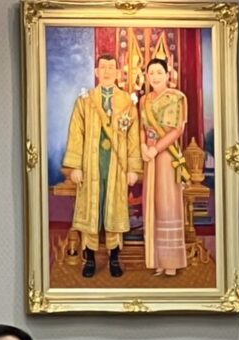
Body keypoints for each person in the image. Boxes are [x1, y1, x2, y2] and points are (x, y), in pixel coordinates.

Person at [62, 52, 142, 278]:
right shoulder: (85, 100)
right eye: (103, 67)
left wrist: (133, 169)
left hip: (117, 165)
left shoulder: (127, 102)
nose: (107, 71)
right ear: (96, 72)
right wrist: (75, 166)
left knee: (114, 208)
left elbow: (133, 137)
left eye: (111, 67)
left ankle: (115, 257)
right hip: (91, 163)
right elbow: (76, 134)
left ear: (117, 72)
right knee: (92, 209)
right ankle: (90, 257)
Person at [140, 57, 189, 277]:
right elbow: (141, 127)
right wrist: (143, 145)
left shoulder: (177, 97)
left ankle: (171, 261)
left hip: (166, 155)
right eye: (151, 73)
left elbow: (177, 130)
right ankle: (156, 259)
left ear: (168, 74)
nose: (155, 76)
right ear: (146, 76)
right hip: (149, 156)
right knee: (152, 204)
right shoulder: (144, 100)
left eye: (159, 72)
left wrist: (156, 149)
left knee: (167, 203)